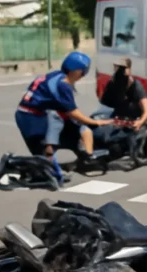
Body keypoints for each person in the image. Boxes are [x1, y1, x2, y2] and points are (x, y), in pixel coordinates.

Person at [15, 51, 112, 184]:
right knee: (43, 152)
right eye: (83, 71)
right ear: (77, 71)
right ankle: (34, 170)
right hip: (30, 117)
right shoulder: (63, 84)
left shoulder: (55, 75)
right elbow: (73, 113)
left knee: (77, 130)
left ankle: (84, 158)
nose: (83, 75)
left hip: (35, 113)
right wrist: (96, 122)